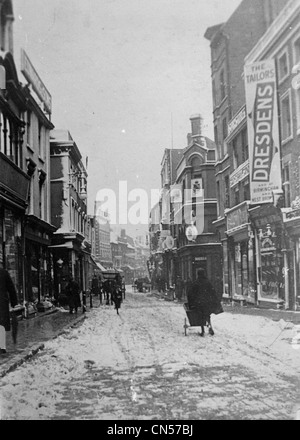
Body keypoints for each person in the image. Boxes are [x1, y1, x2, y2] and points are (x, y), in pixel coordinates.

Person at [187, 268, 222, 337]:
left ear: (198, 274)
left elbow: (191, 293)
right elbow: (213, 292)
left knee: (200, 316)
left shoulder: (195, 283)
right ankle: (210, 326)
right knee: (207, 315)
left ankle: (202, 330)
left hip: (199, 303)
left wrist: (191, 303)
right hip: (207, 302)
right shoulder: (208, 282)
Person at [0, 266, 18, 354]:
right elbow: (11, 288)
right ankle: (1, 346)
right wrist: (14, 302)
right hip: (1, 303)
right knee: (1, 325)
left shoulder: (4, 273)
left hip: (2, 303)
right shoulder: (3, 272)